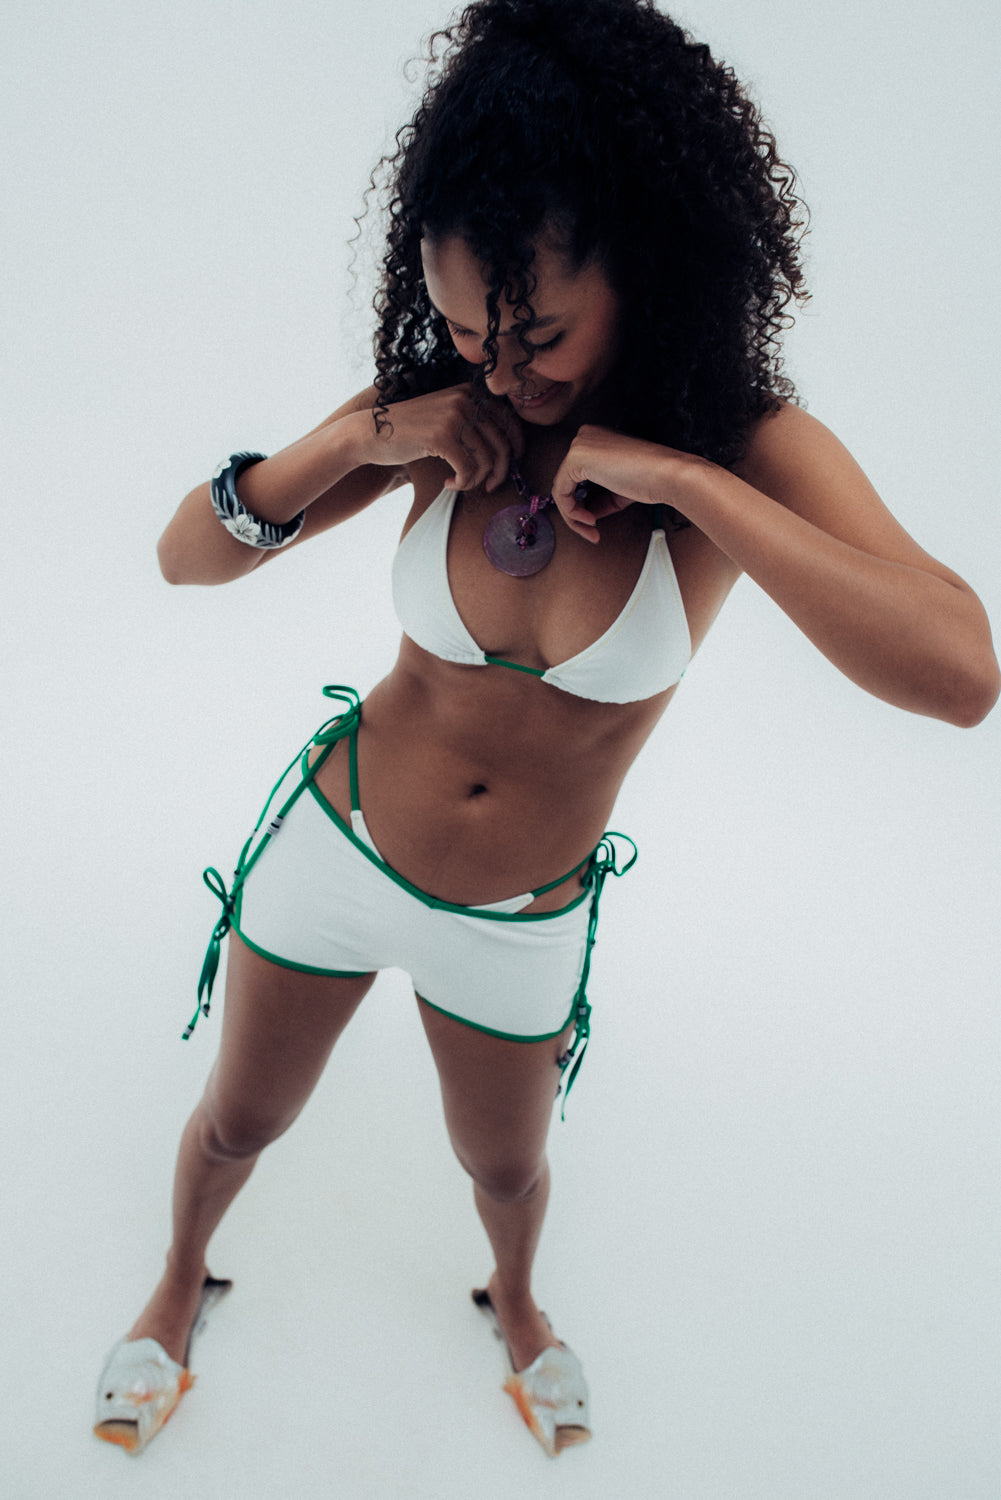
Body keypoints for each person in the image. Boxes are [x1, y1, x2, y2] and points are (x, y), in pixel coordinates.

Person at [93, 0, 999, 1461]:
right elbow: (183, 562)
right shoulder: (445, 411)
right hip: (337, 843)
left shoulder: (741, 443)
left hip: (518, 919)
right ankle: (176, 1281)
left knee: (506, 1168)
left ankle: (515, 1305)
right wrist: (366, 435)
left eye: (538, 334)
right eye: (466, 327)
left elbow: (961, 672)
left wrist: (689, 487)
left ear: (644, 267)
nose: (502, 371)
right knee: (236, 1123)